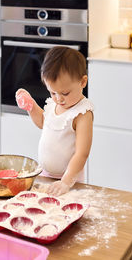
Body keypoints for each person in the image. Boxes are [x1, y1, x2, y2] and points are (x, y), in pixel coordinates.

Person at [15, 46, 94, 196]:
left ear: (83, 82)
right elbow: (43, 123)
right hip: (45, 174)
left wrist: (66, 181)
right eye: (52, 92)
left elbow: (82, 153)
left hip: (70, 180)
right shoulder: (54, 104)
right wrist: (31, 106)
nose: (58, 98)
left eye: (65, 93)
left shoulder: (83, 113)